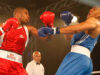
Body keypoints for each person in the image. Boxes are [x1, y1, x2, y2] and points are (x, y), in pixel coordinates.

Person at [38, 6, 100, 75]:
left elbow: (76, 29)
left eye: (94, 9)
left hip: (77, 58)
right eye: (91, 9)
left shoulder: (94, 21)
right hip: (85, 61)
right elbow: (69, 37)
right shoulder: (88, 27)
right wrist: (67, 23)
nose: (91, 10)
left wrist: (53, 30)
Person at [0, 7, 45, 75]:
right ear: (18, 14)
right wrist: (3, 29)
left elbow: (44, 37)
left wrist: (49, 25)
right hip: (1, 63)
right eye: (26, 13)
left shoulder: (29, 29)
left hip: (17, 66)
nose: (28, 16)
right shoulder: (2, 25)